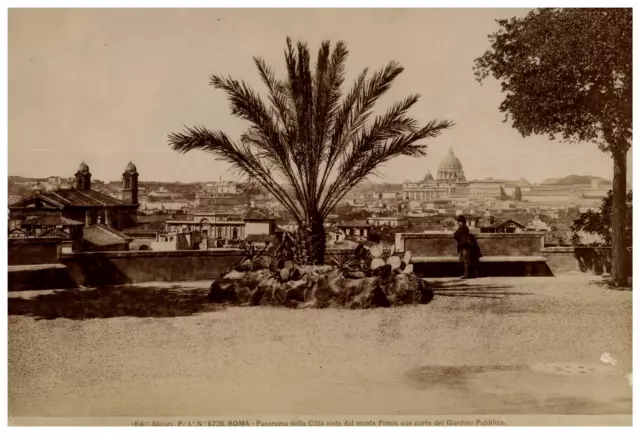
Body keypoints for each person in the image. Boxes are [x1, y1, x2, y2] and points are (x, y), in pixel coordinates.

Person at [453, 215, 482, 279]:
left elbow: (456, 235)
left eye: (459, 221)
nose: (458, 223)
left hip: (465, 246)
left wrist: (456, 234)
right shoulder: (463, 227)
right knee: (466, 260)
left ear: (463, 222)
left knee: (466, 261)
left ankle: (466, 274)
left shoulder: (463, 228)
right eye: (458, 221)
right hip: (465, 246)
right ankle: (469, 274)